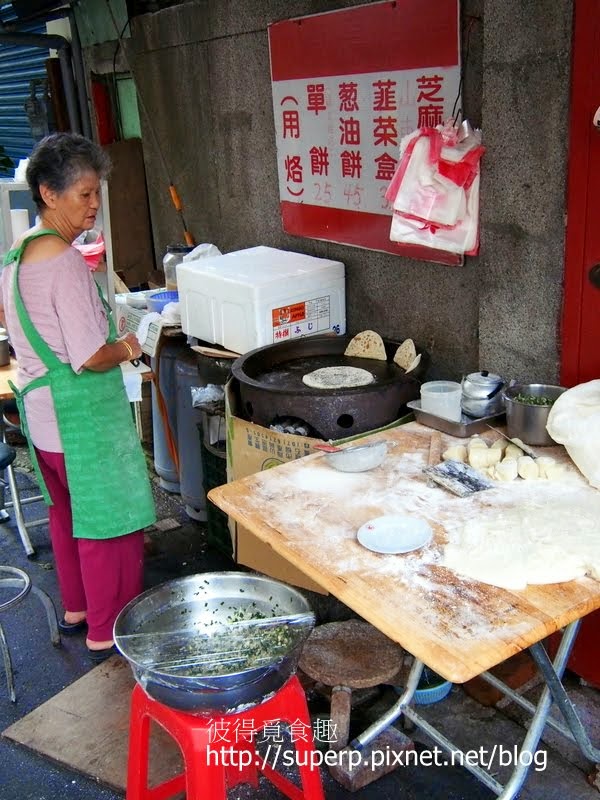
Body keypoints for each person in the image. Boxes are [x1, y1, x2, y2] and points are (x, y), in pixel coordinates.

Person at [0, 132, 156, 662]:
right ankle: (108, 628)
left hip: (43, 417)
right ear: (48, 193)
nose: (94, 204)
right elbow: (90, 355)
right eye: (84, 194)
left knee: (68, 515)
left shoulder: (17, 255)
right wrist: (129, 345)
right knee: (108, 524)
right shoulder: (63, 262)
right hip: (81, 419)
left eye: (96, 192)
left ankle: (78, 609)